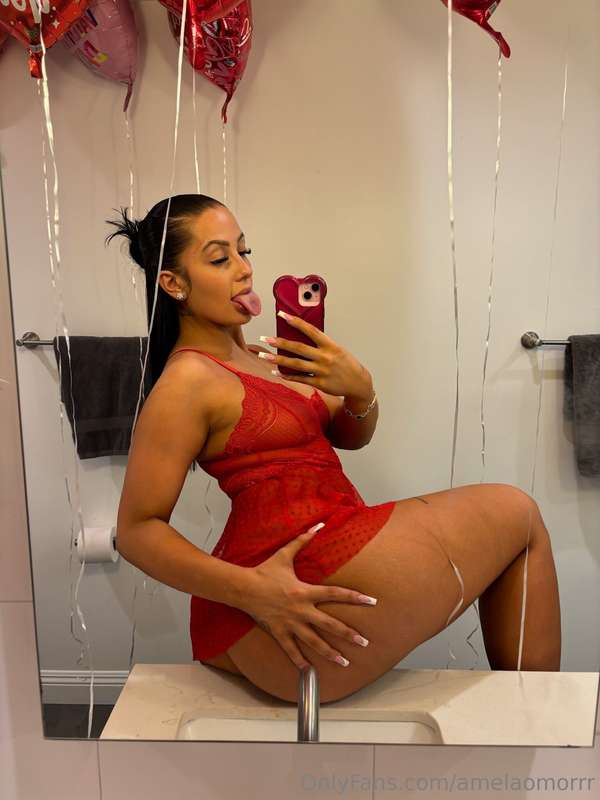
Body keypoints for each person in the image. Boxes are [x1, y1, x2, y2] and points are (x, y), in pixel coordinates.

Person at [108, 194, 561, 704]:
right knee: (517, 514)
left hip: (327, 543)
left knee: (518, 525)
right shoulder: (188, 379)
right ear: (174, 284)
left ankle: (532, 716)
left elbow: (349, 437)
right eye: (219, 259)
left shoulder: (268, 358)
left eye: (244, 251)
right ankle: (538, 719)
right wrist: (255, 591)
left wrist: (361, 391)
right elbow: (137, 531)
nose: (244, 269)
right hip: (277, 587)